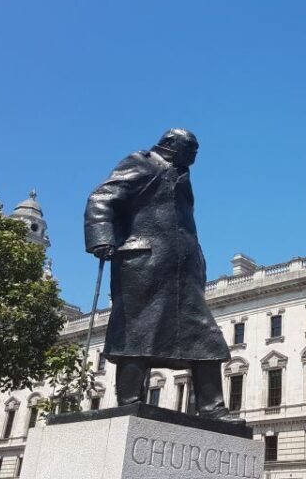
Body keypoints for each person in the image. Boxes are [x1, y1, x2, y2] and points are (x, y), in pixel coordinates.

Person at [84, 128, 237, 422]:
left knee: (207, 337)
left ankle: (213, 408)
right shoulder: (142, 162)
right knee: (137, 333)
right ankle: (129, 402)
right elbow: (101, 198)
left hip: (182, 273)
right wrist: (101, 237)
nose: (195, 155)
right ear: (170, 144)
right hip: (144, 265)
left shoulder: (179, 173)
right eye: (190, 147)